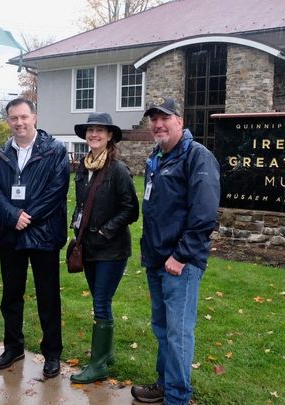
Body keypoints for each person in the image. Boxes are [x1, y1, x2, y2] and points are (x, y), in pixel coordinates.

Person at [131, 96, 220, 405]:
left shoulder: (197, 157)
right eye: (153, 119)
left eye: (164, 118)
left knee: (178, 332)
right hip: (157, 259)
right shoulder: (156, 158)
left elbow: (205, 215)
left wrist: (180, 256)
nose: (158, 124)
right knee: (162, 328)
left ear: (179, 121)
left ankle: (178, 397)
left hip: (180, 263)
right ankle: (165, 384)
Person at [0, 98, 69, 378]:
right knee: (11, 295)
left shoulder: (55, 151)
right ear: (8, 121)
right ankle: (13, 347)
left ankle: (52, 353)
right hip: (11, 236)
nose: (19, 123)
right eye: (14, 118)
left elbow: (56, 191)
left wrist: (27, 216)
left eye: (24, 117)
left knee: (48, 297)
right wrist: (13, 216)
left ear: (34, 117)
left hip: (43, 235)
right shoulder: (0, 154)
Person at [69, 112, 139, 383]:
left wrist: (106, 230)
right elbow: (83, 204)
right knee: (102, 301)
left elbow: (131, 209)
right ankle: (106, 354)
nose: (94, 135)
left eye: (100, 130)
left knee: (100, 301)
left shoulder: (118, 170)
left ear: (110, 136)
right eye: (90, 131)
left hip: (112, 249)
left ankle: (98, 364)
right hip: (89, 247)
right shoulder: (83, 168)